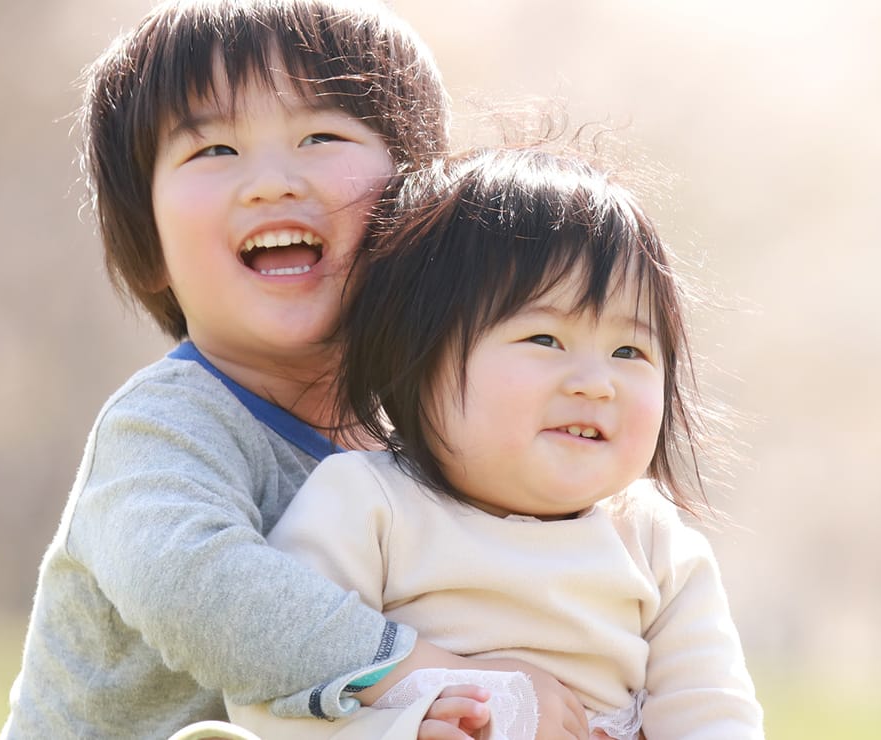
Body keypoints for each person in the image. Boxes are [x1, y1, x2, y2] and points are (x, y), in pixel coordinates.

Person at [2, 2, 588, 738]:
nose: (272, 182)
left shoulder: (430, 440)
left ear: (419, 210)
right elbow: (194, 589)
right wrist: (425, 671)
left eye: (322, 135)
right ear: (148, 241)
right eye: (214, 150)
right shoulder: (164, 429)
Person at [222, 147, 764, 739]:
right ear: (416, 358)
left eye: (629, 351)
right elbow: (272, 692)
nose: (595, 383)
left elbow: (713, 713)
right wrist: (402, 730)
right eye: (544, 338)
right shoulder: (366, 505)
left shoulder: (655, 543)